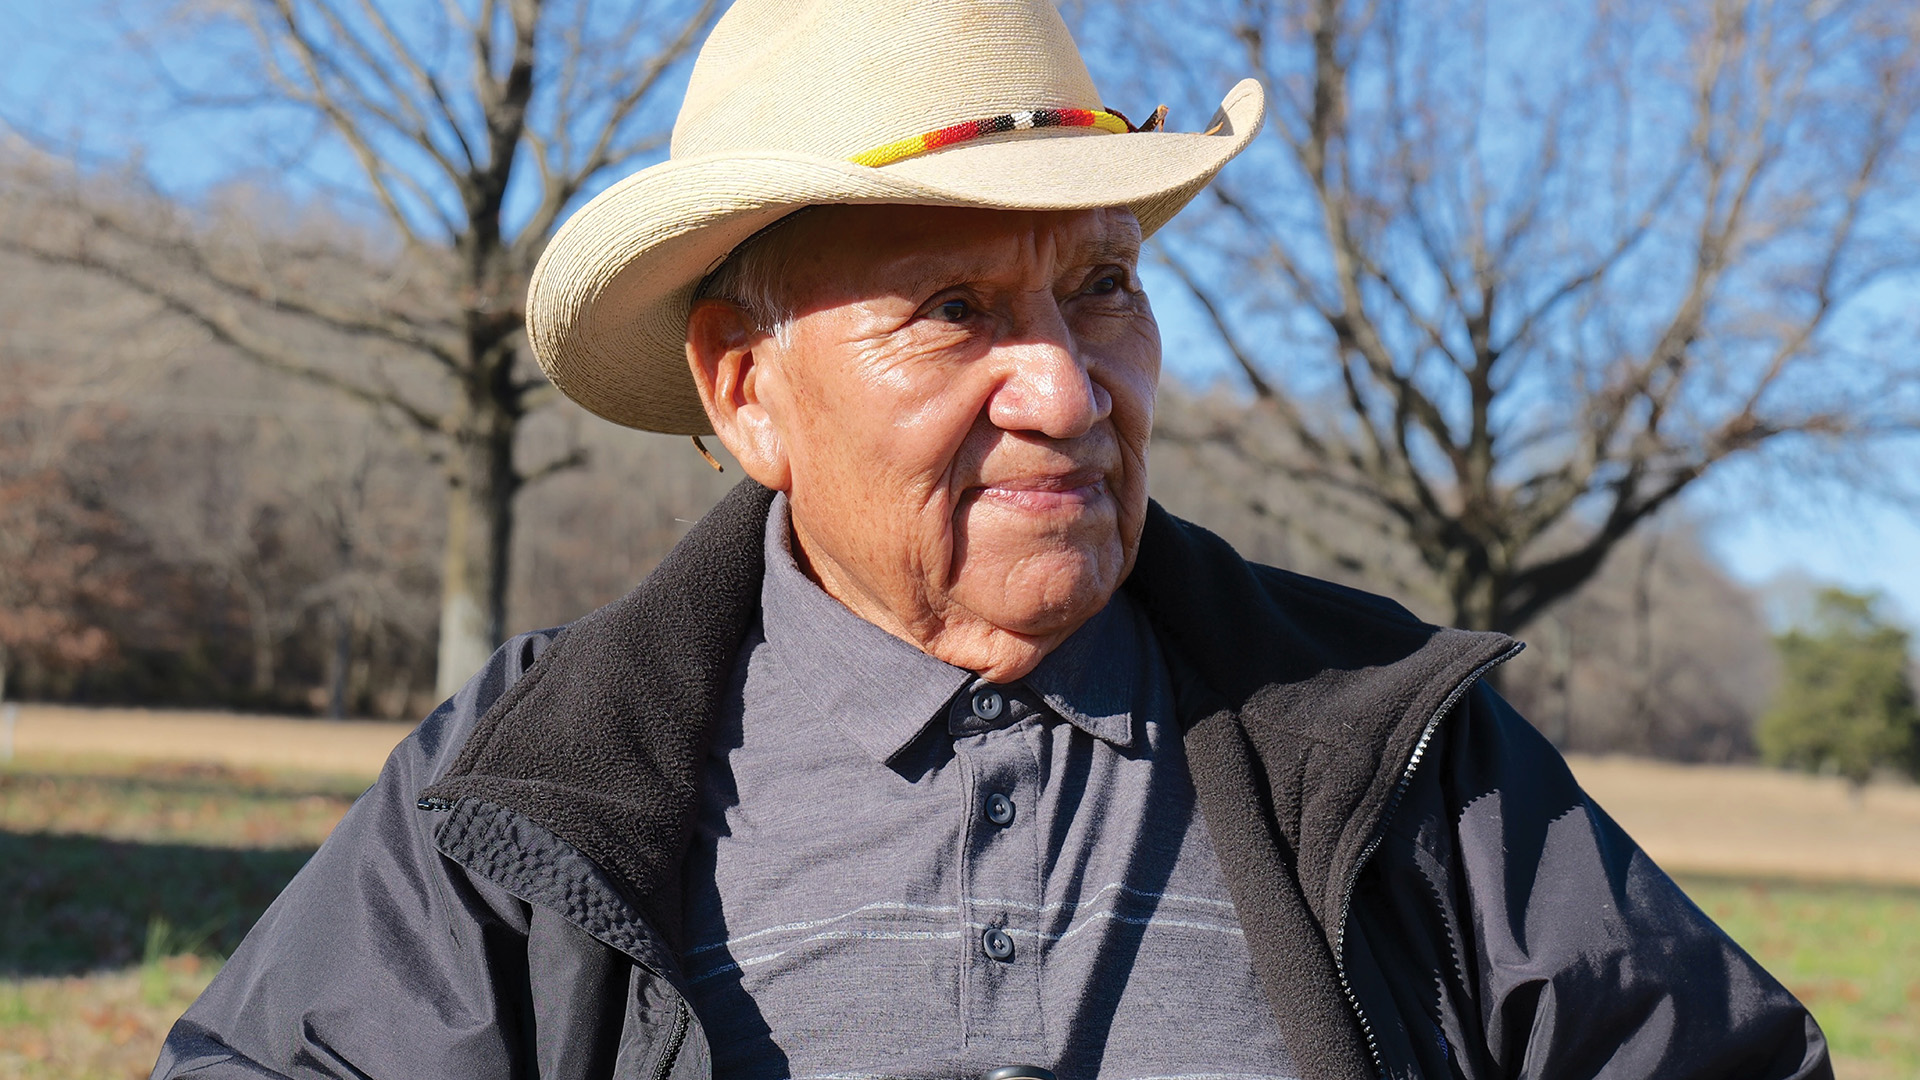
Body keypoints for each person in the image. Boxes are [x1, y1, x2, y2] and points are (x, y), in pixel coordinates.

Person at [153, 1, 1830, 1078]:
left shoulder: (1389, 737)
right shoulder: (533, 778)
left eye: (1100, 287)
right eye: (954, 309)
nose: (1067, 386)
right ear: (750, 394)